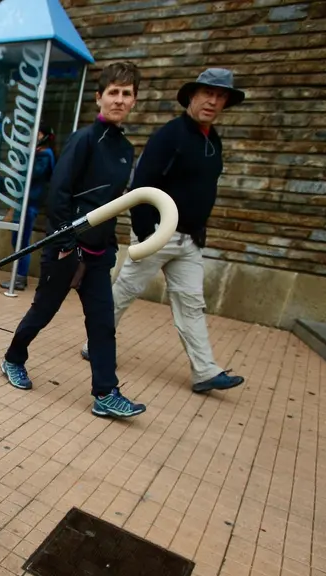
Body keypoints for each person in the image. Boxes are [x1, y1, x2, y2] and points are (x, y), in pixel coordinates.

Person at [0, 62, 146, 419]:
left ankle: (106, 393)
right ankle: (12, 358)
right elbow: (59, 193)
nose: (119, 99)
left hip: (98, 254)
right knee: (43, 312)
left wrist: (109, 245)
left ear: (134, 101)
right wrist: (66, 240)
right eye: (113, 92)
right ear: (99, 97)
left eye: (126, 94)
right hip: (67, 248)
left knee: (102, 323)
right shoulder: (84, 139)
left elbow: (113, 203)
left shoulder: (126, 149)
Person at [96, 68, 245, 394]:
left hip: (190, 240)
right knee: (123, 293)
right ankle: (96, 343)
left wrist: (199, 232)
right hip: (158, 234)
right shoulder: (170, 135)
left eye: (220, 97)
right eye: (208, 93)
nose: (213, 101)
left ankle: (204, 371)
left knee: (192, 303)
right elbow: (142, 185)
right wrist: (145, 231)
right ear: (192, 96)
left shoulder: (212, 140)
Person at [1, 126, 56, 291]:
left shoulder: (45, 155)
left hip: (30, 204)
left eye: (37, 134)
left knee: (22, 241)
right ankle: (19, 276)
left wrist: (20, 167)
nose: (33, 137)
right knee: (16, 239)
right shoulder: (37, 153)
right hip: (25, 202)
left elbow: (34, 174)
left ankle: (20, 278)